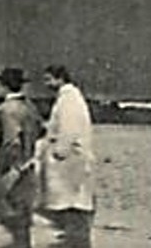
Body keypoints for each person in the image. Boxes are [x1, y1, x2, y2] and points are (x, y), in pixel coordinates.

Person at [37, 64, 95, 247]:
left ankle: (75, 240)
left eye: (48, 80)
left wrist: (58, 152)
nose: (46, 84)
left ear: (60, 78)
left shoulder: (69, 100)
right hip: (72, 158)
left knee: (71, 201)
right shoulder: (67, 98)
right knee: (70, 199)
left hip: (71, 160)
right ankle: (71, 237)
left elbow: (69, 129)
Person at [0, 67, 45, 247]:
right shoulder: (30, 106)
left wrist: (6, 167)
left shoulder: (5, 109)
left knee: (4, 203)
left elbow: (10, 141)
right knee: (23, 206)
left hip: (13, 164)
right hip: (29, 162)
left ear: (3, 86)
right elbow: (42, 129)